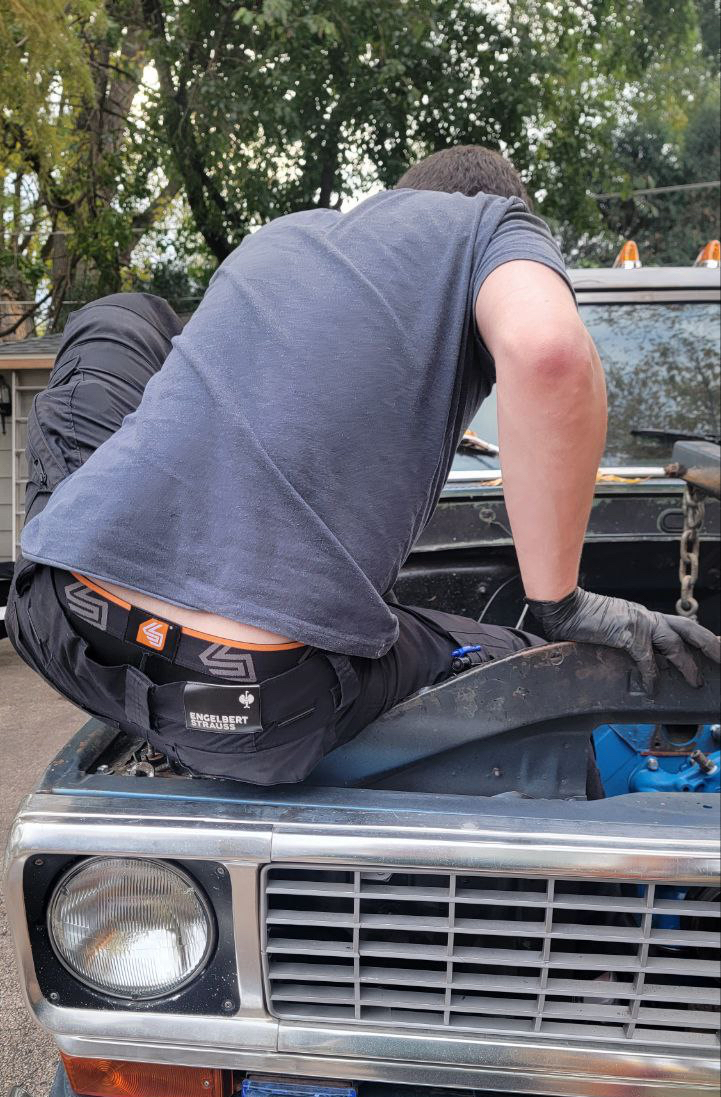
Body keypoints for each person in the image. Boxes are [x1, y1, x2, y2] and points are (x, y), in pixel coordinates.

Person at [7, 145, 719, 786]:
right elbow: (549, 352)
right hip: (254, 710)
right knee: (525, 662)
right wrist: (561, 604)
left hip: (58, 616)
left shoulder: (283, 236)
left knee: (121, 314)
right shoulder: (490, 225)